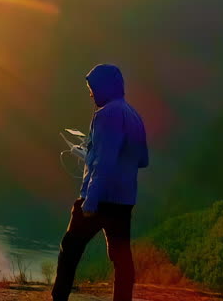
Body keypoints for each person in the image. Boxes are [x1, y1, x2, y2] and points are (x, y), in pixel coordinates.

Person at [52, 63, 149, 301]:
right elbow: (142, 160)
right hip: (124, 199)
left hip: (100, 197)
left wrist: (90, 203)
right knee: (121, 258)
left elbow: (104, 163)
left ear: (104, 87)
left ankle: (59, 299)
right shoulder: (133, 115)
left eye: (92, 88)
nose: (90, 93)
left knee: (69, 250)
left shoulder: (106, 114)